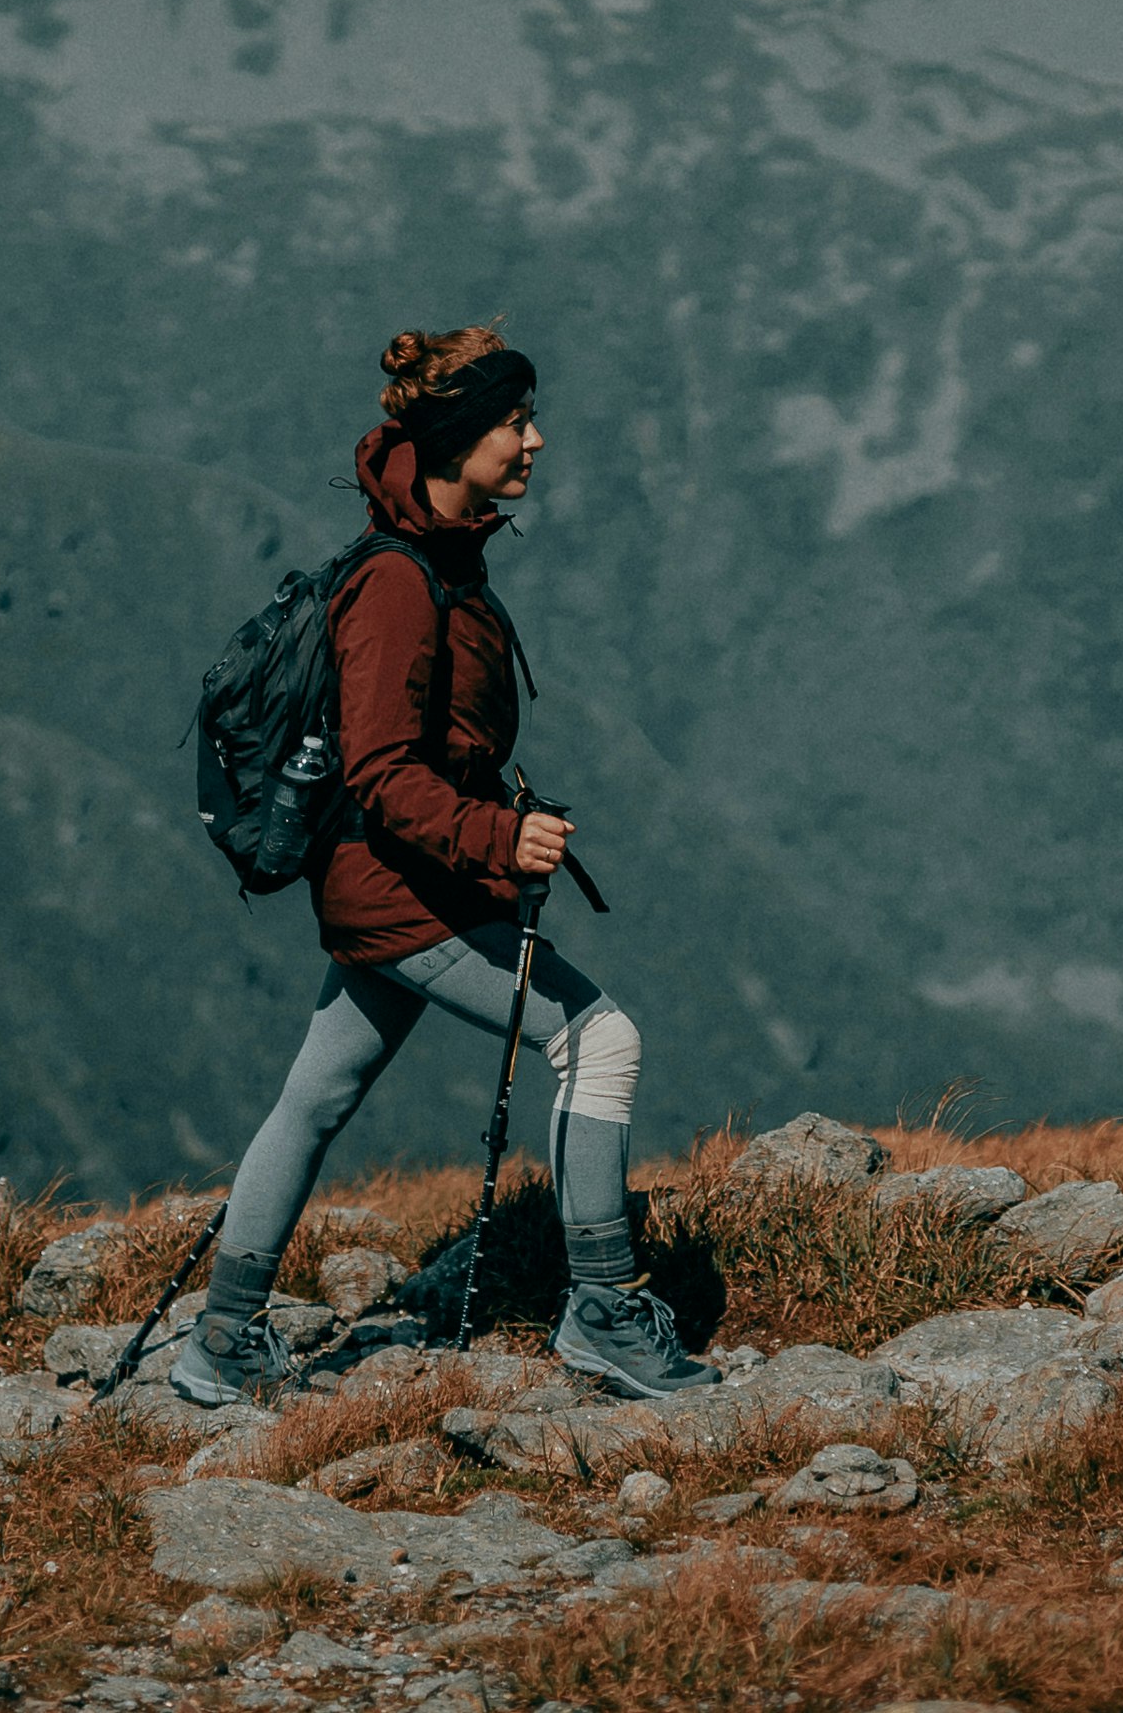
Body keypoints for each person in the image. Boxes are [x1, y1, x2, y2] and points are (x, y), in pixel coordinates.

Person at [171, 323, 719, 1405]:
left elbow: (429, 751)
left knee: (314, 1099)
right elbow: (378, 768)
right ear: (461, 435)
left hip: (392, 884)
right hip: (401, 890)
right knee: (601, 1039)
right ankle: (605, 1312)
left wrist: (492, 824)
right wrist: (496, 839)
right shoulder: (400, 587)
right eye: (515, 422)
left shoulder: (440, 560)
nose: (535, 439)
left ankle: (221, 1341)